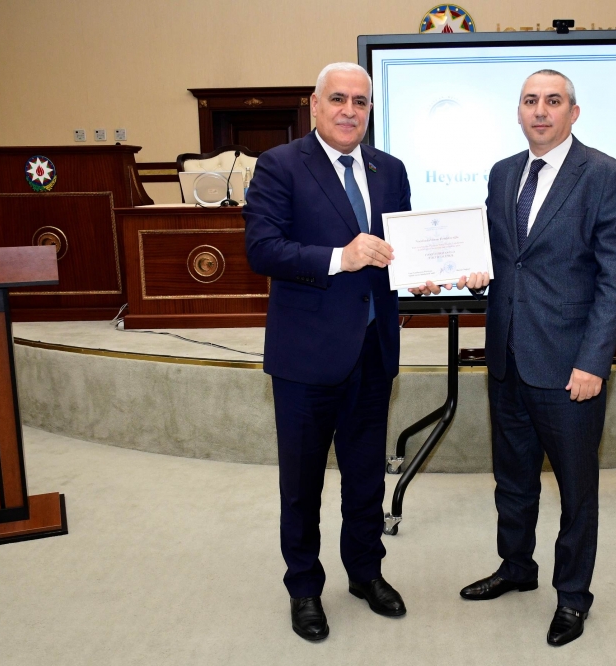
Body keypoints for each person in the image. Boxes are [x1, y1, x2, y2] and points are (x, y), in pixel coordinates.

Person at [416, 69, 616, 647]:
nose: (540, 110)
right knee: (512, 481)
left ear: (573, 112)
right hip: (507, 359)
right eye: (530, 100)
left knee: (576, 491)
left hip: (569, 368)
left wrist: (594, 362)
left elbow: (615, 280)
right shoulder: (503, 172)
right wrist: (461, 271)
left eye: (553, 101)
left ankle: (573, 597)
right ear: (518, 111)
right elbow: (499, 255)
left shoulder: (606, 175)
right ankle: (516, 567)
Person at [243, 62, 411, 642]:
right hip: (306, 356)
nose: (348, 110)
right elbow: (262, 249)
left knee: (365, 478)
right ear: (314, 105)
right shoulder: (280, 165)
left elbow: (402, 251)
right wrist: (342, 256)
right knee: (302, 484)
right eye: (337, 99)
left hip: (373, 350)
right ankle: (304, 588)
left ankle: (365, 574)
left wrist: (430, 272)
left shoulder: (390, 170)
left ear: (370, 110)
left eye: (360, 101)